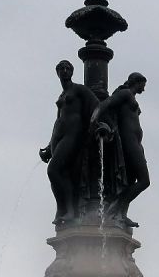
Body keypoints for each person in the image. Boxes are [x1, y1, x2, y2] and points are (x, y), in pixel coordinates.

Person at [40, 60, 100, 223]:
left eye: (68, 68)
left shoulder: (79, 89)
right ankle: (65, 209)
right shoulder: (62, 96)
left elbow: (97, 106)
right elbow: (58, 120)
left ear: (72, 72)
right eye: (61, 68)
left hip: (73, 135)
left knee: (53, 170)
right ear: (57, 72)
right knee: (61, 173)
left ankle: (68, 209)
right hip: (59, 135)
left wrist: (97, 125)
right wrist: (49, 145)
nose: (65, 71)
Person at [92, 72, 148, 225]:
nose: (144, 89)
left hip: (136, 143)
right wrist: (94, 118)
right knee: (144, 180)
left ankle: (121, 214)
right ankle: (115, 208)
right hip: (129, 142)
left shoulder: (131, 97)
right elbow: (105, 104)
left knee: (130, 181)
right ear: (136, 82)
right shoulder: (125, 93)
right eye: (143, 84)